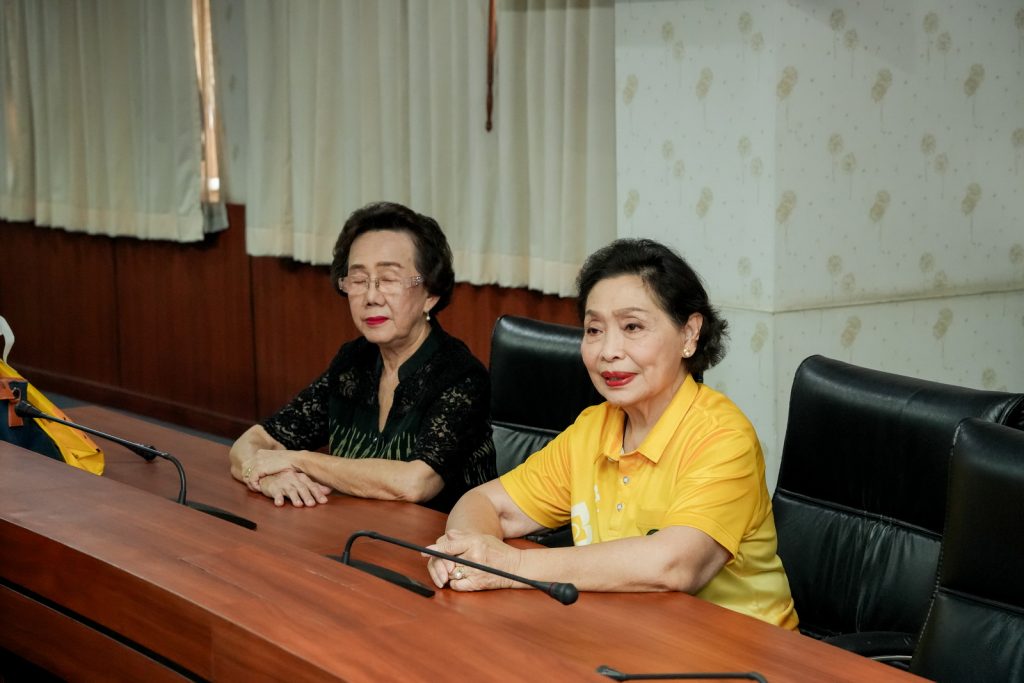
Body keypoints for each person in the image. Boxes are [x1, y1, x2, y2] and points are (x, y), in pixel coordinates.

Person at [426, 238, 798, 629]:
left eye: (632, 327)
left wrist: (510, 565)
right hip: (630, 634)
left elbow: (675, 565)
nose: (608, 351)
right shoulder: (595, 427)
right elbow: (486, 502)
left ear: (689, 334)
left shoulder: (722, 437)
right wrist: (467, 552)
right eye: (594, 329)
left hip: (741, 649)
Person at [230, 201, 496, 512]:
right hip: (356, 529)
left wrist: (299, 460)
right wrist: (264, 478)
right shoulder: (353, 363)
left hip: (445, 539)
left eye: (389, 279)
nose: (370, 297)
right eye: (358, 281)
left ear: (430, 293)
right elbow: (253, 442)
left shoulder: (461, 377)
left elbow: (415, 483)